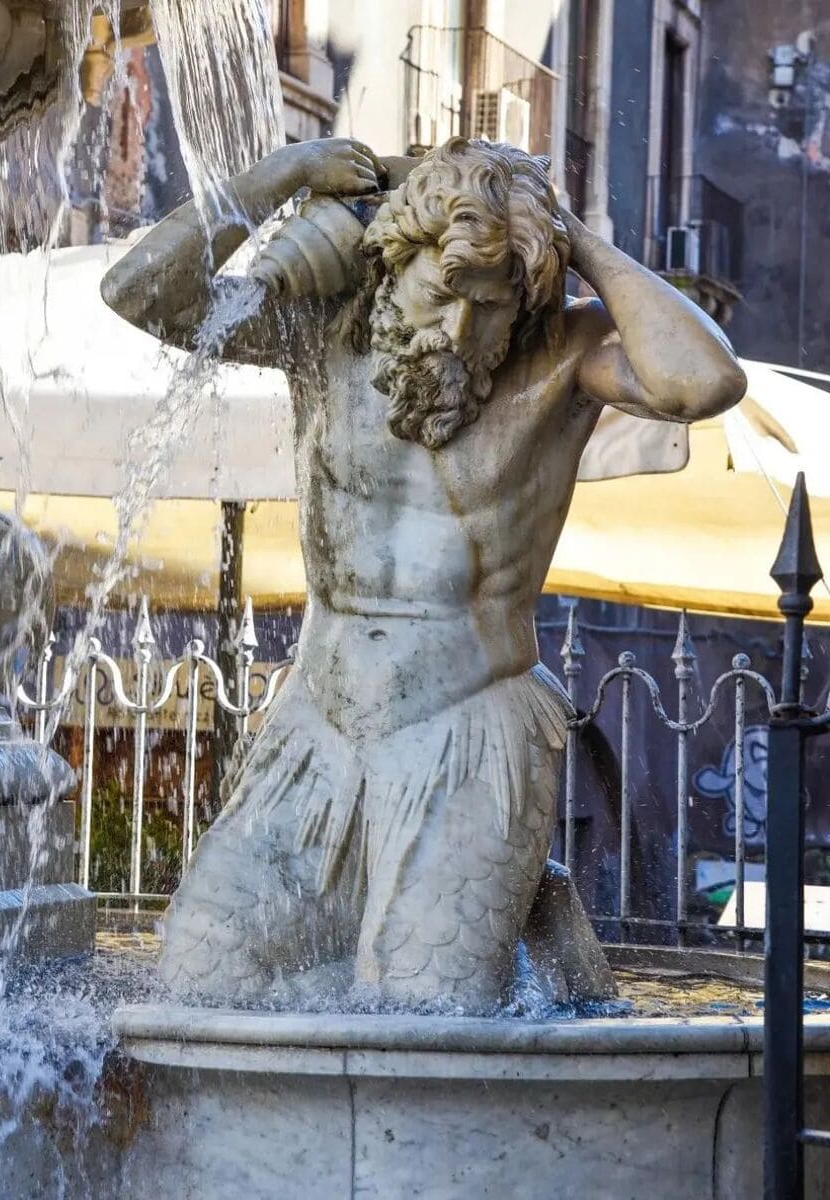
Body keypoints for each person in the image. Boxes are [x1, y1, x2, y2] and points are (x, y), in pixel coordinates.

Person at [102, 136, 746, 1011]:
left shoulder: (561, 357)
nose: (462, 331)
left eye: (491, 307)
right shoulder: (319, 333)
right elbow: (139, 292)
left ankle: (496, 889)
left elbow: (701, 381)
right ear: (394, 260)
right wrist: (281, 174)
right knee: (200, 983)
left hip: (471, 727)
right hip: (317, 729)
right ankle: (519, 903)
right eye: (446, 294)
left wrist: (573, 238)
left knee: (424, 1012)